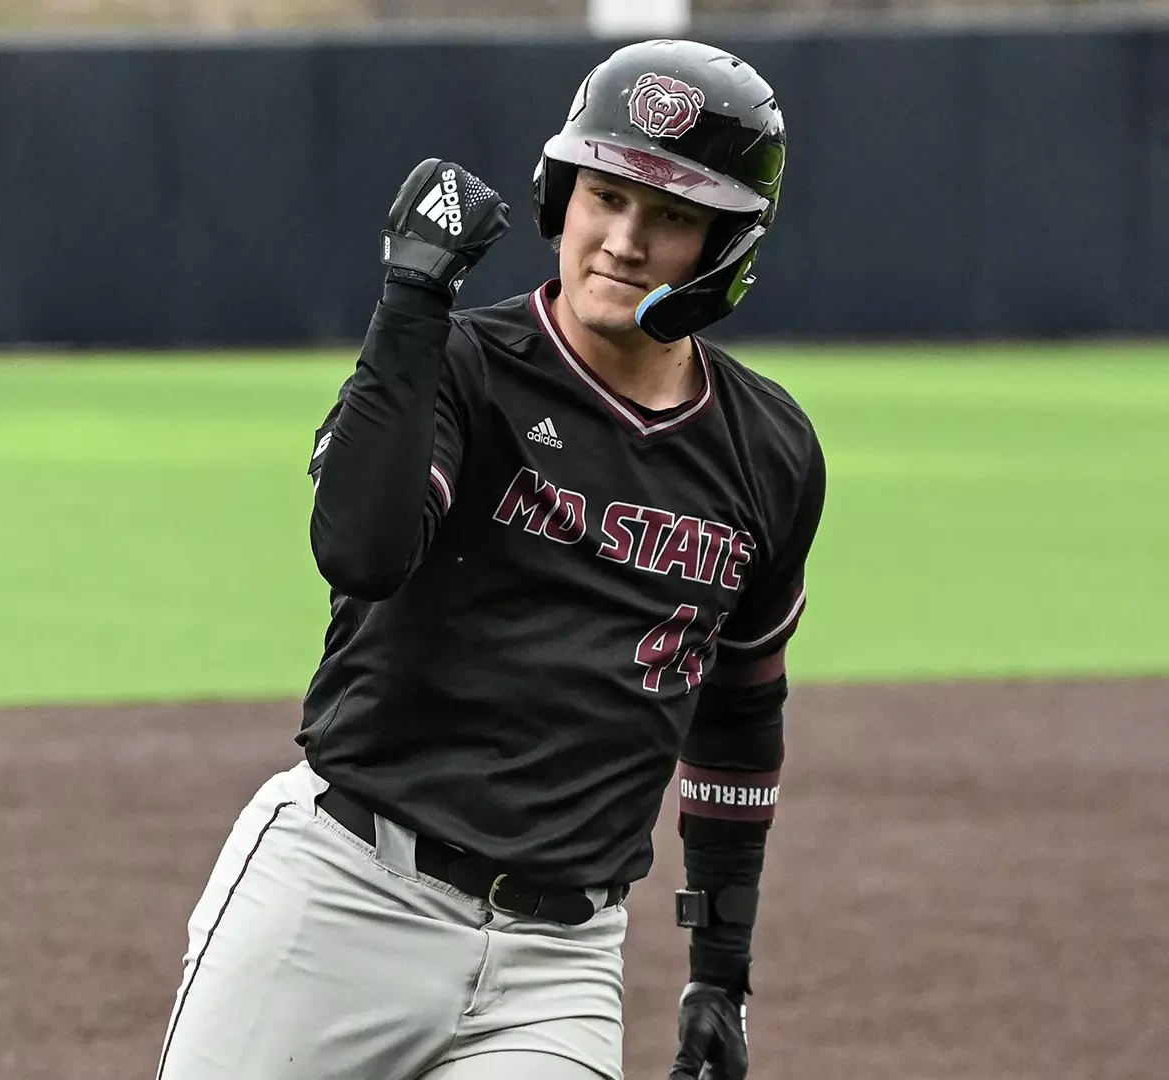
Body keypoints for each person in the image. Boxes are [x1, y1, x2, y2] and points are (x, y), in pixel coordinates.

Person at [157, 39, 821, 1080]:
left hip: (558, 967)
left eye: (673, 217)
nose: (625, 240)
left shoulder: (770, 453)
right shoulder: (460, 366)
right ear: (562, 195)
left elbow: (740, 719)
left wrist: (720, 973)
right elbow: (361, 552)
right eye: (605, 195)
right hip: (339, 899)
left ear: (726, 249)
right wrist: (410, 308)